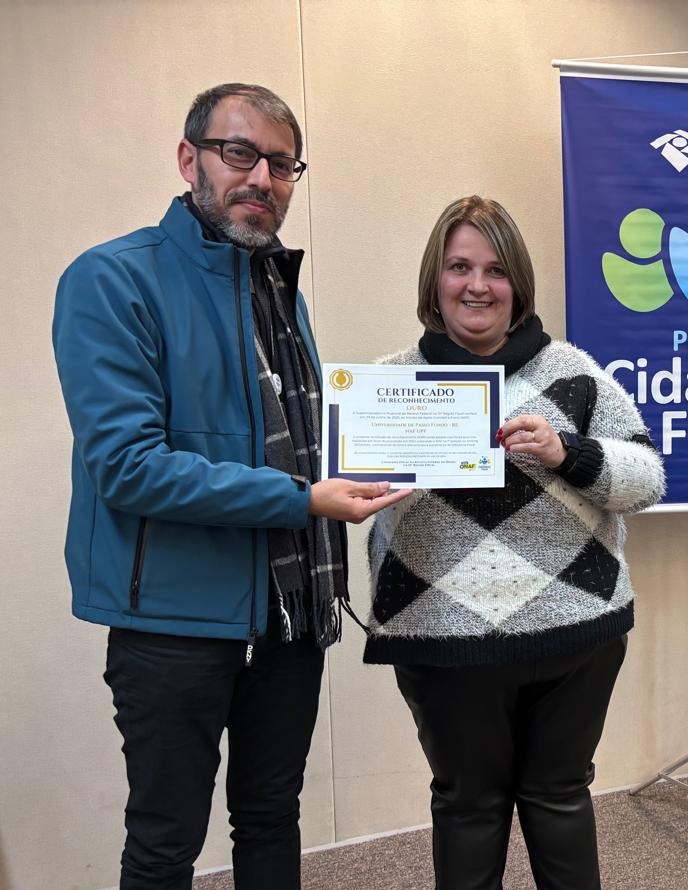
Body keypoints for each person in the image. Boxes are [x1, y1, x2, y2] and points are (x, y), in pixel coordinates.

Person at [51, 83, 409, 890]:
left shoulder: (278, 289)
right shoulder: (112, 279)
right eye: (239, 153)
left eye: (282, 164)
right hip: (172, 625)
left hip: (289, 612)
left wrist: (398, 455)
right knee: (164, 844)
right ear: (190, 160)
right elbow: (128, 466)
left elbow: (300, 437)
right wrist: (304, 499)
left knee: (272, 818)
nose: (261, 179)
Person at [365, 196, 665, 889]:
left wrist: (569, 454)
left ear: (518, 283)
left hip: (576, 637)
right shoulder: (388, 388)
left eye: (496, 270)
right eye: (459, 266)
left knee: (559, 798)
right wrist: (360, 489)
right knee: (468, 806)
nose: (477, 285)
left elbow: (647, 477)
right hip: (444, 639)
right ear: (434, 279)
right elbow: (344, 494)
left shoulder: (575, 375)